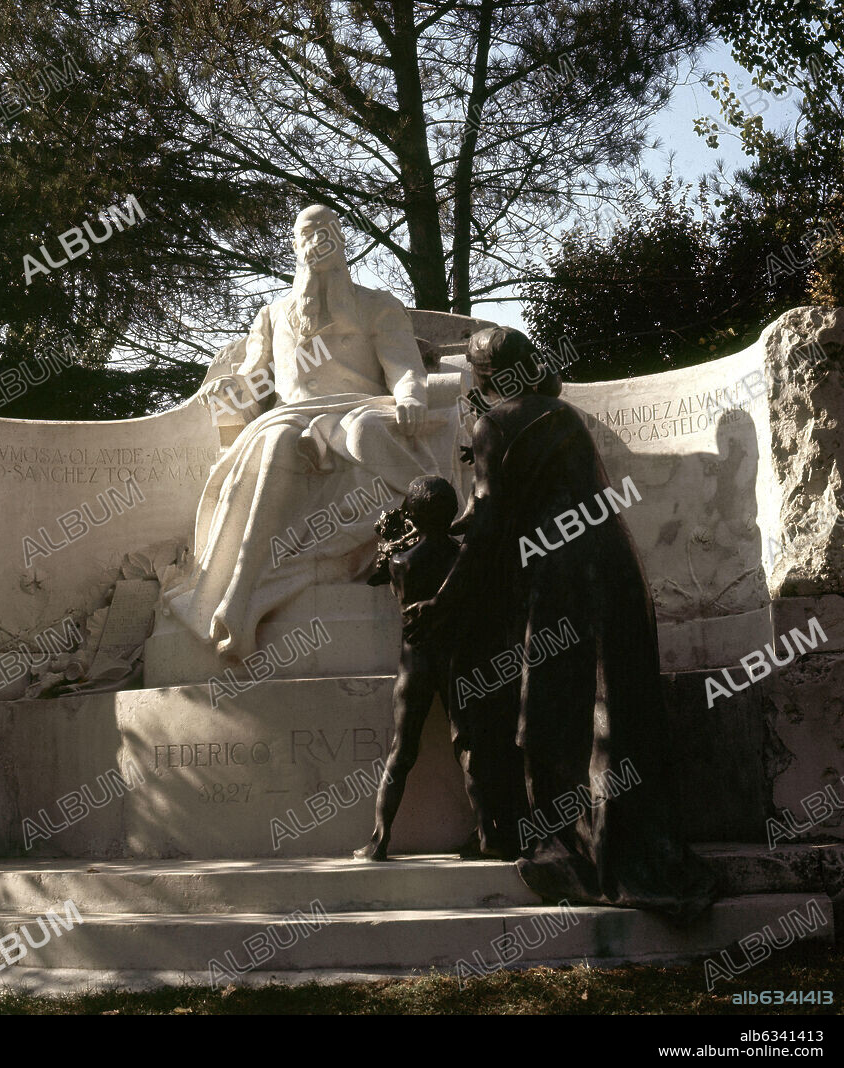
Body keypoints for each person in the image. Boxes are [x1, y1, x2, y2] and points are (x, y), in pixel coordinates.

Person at [405, 327, 717, 921]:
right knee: (617, 704)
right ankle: (625, 842)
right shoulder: (563, 416)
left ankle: (571, 849)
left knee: (551, 711)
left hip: (564, 573)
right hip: (616, 566)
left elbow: (492, 526)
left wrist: (441, 603)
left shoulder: (495, 424)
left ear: (486, 377)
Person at [163, 205, 456, 660]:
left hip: (360, 410)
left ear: (342, 240)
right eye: (306, 233)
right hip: (291, 417)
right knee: (275, 440)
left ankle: (274, 582)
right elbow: (253, 381)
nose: (316, 240)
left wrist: (411, 398)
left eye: (327, 231)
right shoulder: (273, 315)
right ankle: (238, 595)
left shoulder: (377, 305)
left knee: (362, 435)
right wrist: (231, 386)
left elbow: (403, 368)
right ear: (295, 245)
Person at [354, 476, 519, 860]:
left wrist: (394, 533)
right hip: (455, 661)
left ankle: (380, 839)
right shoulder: (462, 557)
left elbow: (378, 573)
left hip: (414, 664)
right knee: (468, 746)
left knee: (402, 750)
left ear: (411, 514)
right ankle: (489, 834)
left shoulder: (400, 562)